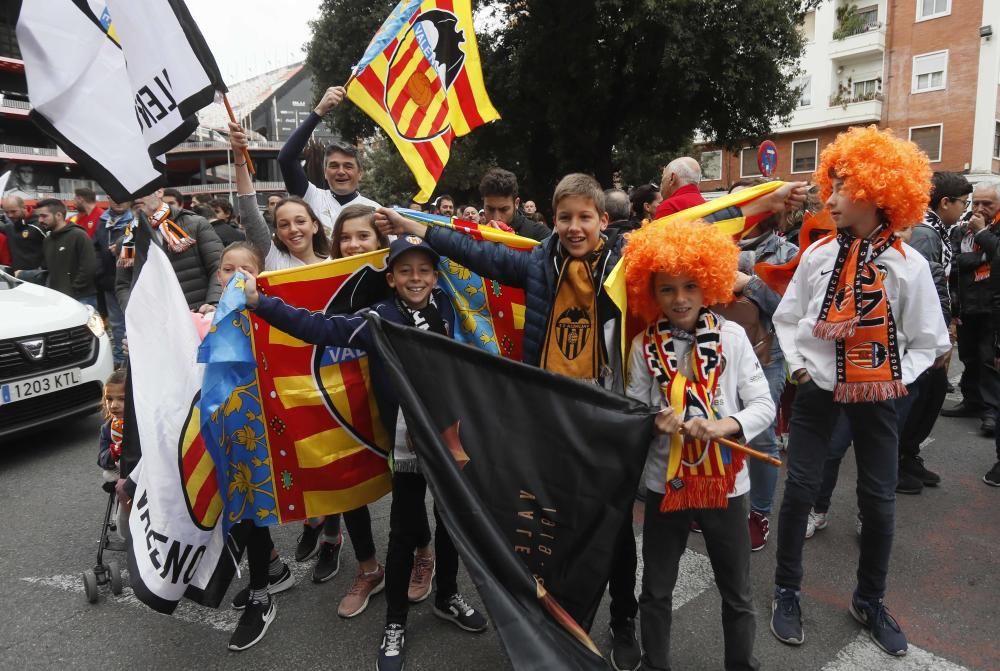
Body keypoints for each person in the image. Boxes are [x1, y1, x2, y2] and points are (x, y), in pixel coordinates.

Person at [378, 173, 807, 671]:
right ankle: (559, 619)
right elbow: (478, 253)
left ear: (604, 220)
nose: (574, 227)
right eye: (565, 218)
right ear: (553, 221)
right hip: (552, 417)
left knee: (616, 526)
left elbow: (695, 222)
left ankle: (622, 621)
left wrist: (764, 201)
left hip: (608, 416)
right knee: (548, 517)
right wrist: (415, 226)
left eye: (585, 217)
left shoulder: (627, 258)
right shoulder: (538, 263)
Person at [244, 236, 489, 671]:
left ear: (435, 277)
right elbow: (317, 327)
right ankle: (395, 622)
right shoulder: (376, 319)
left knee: (453, 524)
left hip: (451, 438)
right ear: (391, 278)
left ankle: (447, 595)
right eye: (406, 271)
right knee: (403, 531)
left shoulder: (446, 309)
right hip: (406, 443)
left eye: (424, 270)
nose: (416, 278)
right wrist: (261, 303)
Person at [769, 126, 950, 657]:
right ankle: (786, 589)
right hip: (819, 394)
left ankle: (869, 599)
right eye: (833, 184)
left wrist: (894, 381)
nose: (829, 197)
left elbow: (929, 341)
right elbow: (788, 317)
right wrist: (802, 369)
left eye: (842, 187)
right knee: (799, 490)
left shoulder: (908, 265)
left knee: (879, 500)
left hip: (879, 398)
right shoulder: (818, 255)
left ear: (878, 192)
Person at [230, 123, 396, 616]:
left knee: (366, 466)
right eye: (284, 224)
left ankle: (342, 540)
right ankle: (334, 540)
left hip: (349, 376)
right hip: (294, 382)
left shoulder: (340, 262)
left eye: (300, 222)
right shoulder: (274, 259)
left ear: (317, 226)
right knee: (322, 467)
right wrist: (240, 158)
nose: (293, 230)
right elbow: (245, 208)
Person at [623, 217, 774, 671]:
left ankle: (740, 665)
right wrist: (655, 422)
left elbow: (763, 404)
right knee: (655, 590)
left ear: (708, 285)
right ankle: (656, 664)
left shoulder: (731, 338)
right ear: (653, 293)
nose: (680, 298)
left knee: (737, 591)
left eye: (690, 286)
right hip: (664, 481)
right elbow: (633, 410)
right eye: (667, 289)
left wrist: (726, 425)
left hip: (725, 485)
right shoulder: (641, 345)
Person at [727, 179, 798, 552]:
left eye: (747, 204)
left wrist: (748, 283)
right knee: (719, 423)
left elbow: (788, 309)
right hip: (717, 354)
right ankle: (718, 498)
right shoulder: (718, 247)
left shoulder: (787, 253)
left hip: (765, 355)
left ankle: (759, 512)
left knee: (762, 434)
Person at [895, 172, 970, 492]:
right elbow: (926, 288)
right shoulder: (926, 234)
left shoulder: (935, 230)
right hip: (920, 336)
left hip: (927, 333)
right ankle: (897, 461)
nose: (965, 210)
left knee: (930, 395)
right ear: (945, 202)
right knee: (916, 398)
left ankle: (907, 456)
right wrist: (940, 335)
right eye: (963, 204)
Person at [277, 85, 380, 236]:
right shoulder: (311, 197)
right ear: (325, 172)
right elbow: (286, 159)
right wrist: (319, 111)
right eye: (334, 165)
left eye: (348, 166)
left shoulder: (376, 211)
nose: (341, 171)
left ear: (360, 173)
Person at [943, 181, 1000, 436]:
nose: (979, 208)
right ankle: (972, 402)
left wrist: (982, 236)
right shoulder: (962, 228)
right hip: (967, 304)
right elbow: (954, 261)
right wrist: (981, 257)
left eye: (987, 204)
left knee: (988, 360)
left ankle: (991, 412)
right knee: (968, 356)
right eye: (976, 202)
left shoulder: (989, 229)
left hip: (991, 306)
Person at [114, 188, 223, 312]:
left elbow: (218, 268)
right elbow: (124, 285)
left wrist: (213, 303)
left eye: (140, 190)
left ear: (159, 191)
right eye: (129, 193)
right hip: (157, 322)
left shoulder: (196, 224)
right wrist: (134, 314)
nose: (135, 197)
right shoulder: (126, 241)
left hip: (200, 315)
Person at [35, 198, 97, 306]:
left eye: (44, 216)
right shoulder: (47, 240)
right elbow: (49, 270)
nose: (40, 220)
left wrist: (74, 289)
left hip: (81, 298)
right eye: (39, 216)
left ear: (58, 215)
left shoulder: (79, 235)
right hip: (57, 299)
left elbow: (89, 267)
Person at [95, 199, 134, 368]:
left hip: (131, 280)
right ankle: (121, 362)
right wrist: (99, 271)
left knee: (132, 321)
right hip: (110, 280)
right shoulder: (103, 221)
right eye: (113, 198)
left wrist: (120, 248)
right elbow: (95, 247)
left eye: (122, 199)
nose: (118, 202)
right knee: (117, 324)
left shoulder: (135, 220)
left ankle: (134, 359)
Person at [97, 369, 129, 551]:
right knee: (121, 488)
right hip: (120, 473)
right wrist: (113, 451)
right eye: (109, 399)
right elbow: (101, 459)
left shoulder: (142, 422)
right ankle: (128, 534)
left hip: (143, 470)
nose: (114, 405)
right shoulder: (107, 429)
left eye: (122, 399)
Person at [478, 167, 550, 241]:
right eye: (490, 209)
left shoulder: (541, 235)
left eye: (504, 210)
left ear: (516, 203)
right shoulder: (473, 237)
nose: (496, 218)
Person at [1, 194, 46, 272]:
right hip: (16, 278)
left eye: (13, 211)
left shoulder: (40, 225)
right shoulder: (9, 227)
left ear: (24, 207)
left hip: (37, 279)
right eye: (6, 212)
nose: (10, 215)